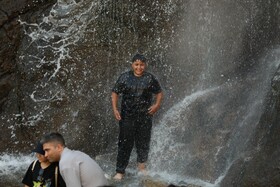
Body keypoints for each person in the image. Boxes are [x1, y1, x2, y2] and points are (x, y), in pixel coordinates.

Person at [111, 53, 163, 180]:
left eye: (141, 65)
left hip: (145, 116)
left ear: (145, 65)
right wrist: (115, 109)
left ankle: (141, 167)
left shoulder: (150, 78)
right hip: (127, 116)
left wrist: (156, 105)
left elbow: (159, 92)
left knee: (143, 142)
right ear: (132, 65)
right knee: (124, 143)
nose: (139, 67)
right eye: (136, 64)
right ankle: (120, 171)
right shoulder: (124, 77)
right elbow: (115, 92)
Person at [40, 132, 109, 187]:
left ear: (58, 147)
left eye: (47, 150)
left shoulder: (66, 163)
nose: (45, 155)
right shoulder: (75, 154)